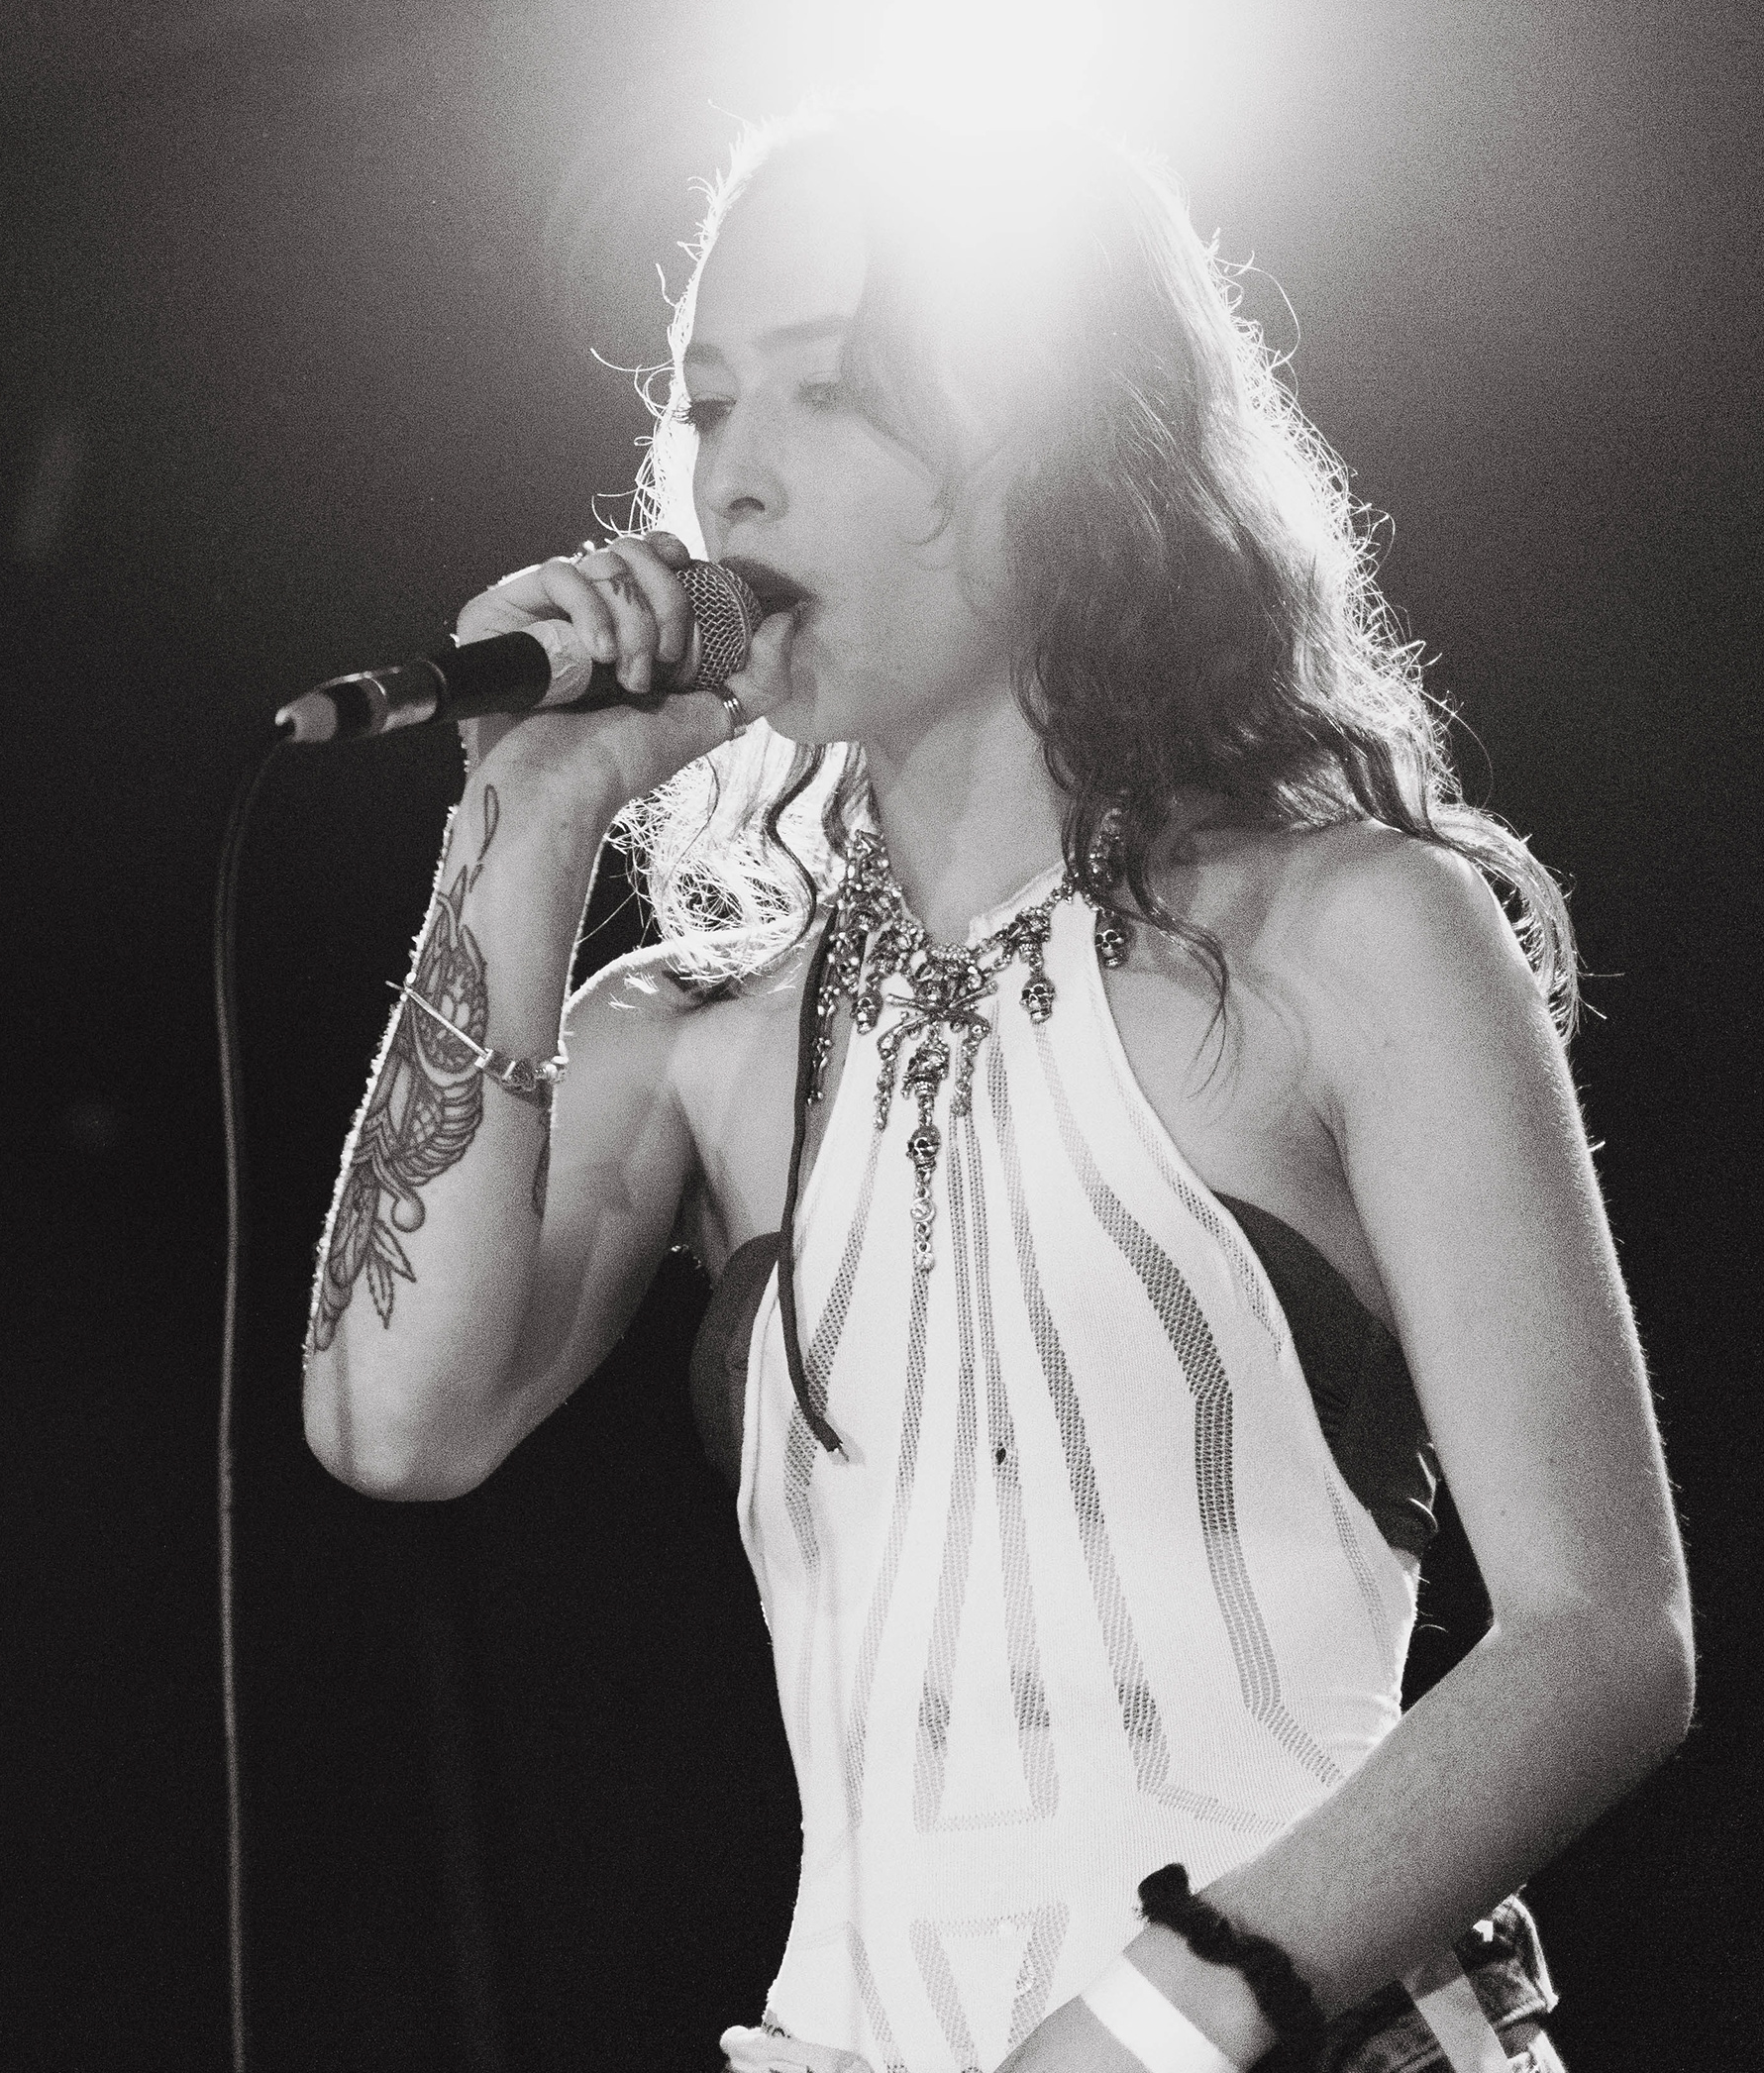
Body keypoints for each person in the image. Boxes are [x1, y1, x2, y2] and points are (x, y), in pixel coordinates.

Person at [297, 109, 1690, 2073]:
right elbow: (391, 1419)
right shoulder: (690, 1034)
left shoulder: (1347, 931)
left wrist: (1153, 2022)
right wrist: (522, 818)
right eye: (708, 406)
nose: (736, 472)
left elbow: (1603, 1635)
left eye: (829, 388)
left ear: (1061, 443)